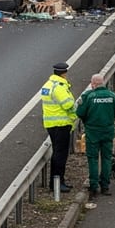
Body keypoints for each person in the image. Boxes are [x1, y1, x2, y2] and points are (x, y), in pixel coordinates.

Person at [76, 73, 115, 200]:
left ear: (93, 84)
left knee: (93, 159)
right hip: (107, 131)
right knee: (106, 158)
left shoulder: (88, 96)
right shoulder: (112, 96)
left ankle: (94, 186)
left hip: (92, 132)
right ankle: (105, 186)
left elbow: (79, 113)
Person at [41, 61, 76, 192]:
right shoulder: (60, 87)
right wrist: (75, 111)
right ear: (64, 73)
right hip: (61, 124)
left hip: (50, 123)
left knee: (57, 153)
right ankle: (57, 182)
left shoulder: (48, 85)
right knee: (60, 155)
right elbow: (68, 104)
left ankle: (55, 182)